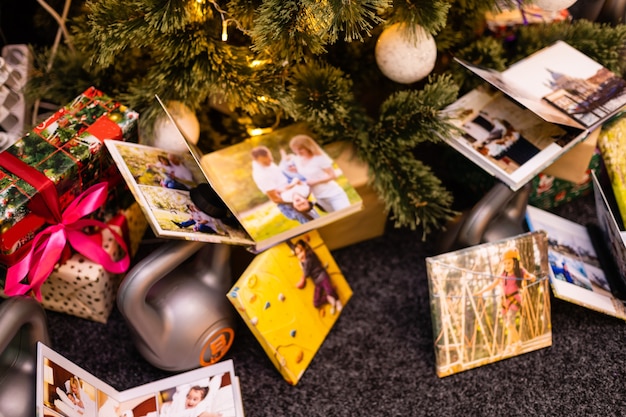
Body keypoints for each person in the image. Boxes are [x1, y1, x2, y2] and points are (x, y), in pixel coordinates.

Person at [474, 247, 536, 354]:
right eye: (505, 263)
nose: (507, 266)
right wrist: (481, 292)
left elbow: (529, 275)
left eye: (509, 263)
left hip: (515, 300)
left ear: (514, 263)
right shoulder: (503, 275)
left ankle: (518, 343)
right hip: (505, 303)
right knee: (508, 325)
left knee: (510, 324)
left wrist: (532, 276)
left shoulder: (519, 272)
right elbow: (492, 285)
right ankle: (511, 344)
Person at [250, 145, 314, 224]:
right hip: (288, 202)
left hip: (294, 194)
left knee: (315, 217)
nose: (269, 161)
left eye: (270, 158)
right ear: (257, 160)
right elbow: (275, 199)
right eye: (265, 161)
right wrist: (297, 201)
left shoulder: (267, 163)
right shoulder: (261, 175)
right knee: (310, 223)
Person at [289, 134, 350, 212]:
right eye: (295, 149)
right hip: (319, 198)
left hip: (333, 194)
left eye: (300, 149)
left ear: (307, 147)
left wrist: (315, 182)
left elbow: (333, 176)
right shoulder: (297, 160)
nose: (297, 152)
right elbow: (306, 173)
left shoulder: (319, 158)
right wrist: (295, 170)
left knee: (347, 214)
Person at [291, 237, 342, 314]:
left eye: (301, 251)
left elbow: (306, 274)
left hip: (323, 276)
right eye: (298, 254)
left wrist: (301, 264)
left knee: (329, 290)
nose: (300, 255)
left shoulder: (309, 257)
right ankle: (328, 298)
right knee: (316, 303)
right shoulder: (304, 261)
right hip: (317, 283)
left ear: (305, 249)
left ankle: (337, 300)